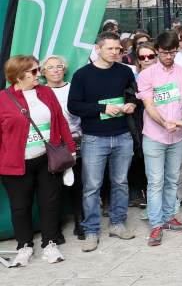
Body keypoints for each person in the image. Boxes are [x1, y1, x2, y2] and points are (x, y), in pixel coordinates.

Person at [1, 55, 76, 266]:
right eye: (34, 71)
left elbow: (61, 122)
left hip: (47, 160)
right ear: (18, 75)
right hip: (16, 164)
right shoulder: (3, 99)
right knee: (20, 207)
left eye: (38, 70)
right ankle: (24, 246)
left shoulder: (46, 92)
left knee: (50, 203)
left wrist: (71, 151)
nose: (39, 75)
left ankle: (50, 244)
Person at [69, 31, 139, 251]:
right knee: (92, 187)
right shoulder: (82, 75)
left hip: (122, 135)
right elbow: (74, 106)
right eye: (110, 48)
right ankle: (91, 230)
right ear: (98, 49)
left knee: (121, 182)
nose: (116, 52)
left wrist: (131, 105)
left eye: (118, 49)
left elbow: (132, 94)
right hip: (94, 139)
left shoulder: (125, 72)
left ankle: (117, 224)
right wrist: (102, 108)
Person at [136, 31, 182, 246]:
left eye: (172, 52)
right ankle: (155, 225)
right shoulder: (147, 75)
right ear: (157, 51)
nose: (168, 56)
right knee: (155, 182)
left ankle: (170, 217)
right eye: (164, 53)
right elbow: (149, 104)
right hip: (155, 135)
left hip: (178, 136)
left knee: (172, 179)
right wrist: (164, 123)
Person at [40, 55, 84, 240]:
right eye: (50, 67)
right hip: (53, 144)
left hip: (77, 141)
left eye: (59, 66)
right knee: (53, 188)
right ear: (43, 72)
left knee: (79, 185)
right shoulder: (40, 92)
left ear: (65, 69)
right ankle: (54, 229)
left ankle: (80, 223)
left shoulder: (74, 88)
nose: (56, 70)